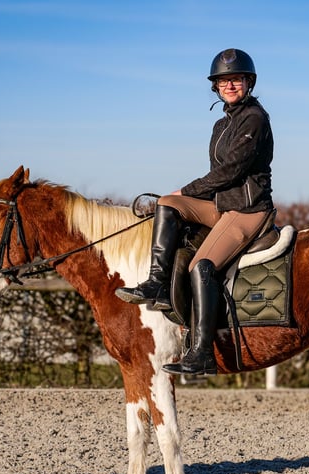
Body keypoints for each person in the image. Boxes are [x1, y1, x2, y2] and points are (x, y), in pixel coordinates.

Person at [115, 48, 275, 376]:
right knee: (166, 204)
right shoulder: (221, 125)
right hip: (221, 206)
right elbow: (217, 178)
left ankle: (201, 352)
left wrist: (187, 190)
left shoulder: (255, 119)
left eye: (236, 80)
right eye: (223, 81)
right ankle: (157, 283)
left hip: (247, 211)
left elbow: (230, 171)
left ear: (249, 82)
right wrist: (180, 197)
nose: (229, 86)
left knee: (202, 266)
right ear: (215, 87)